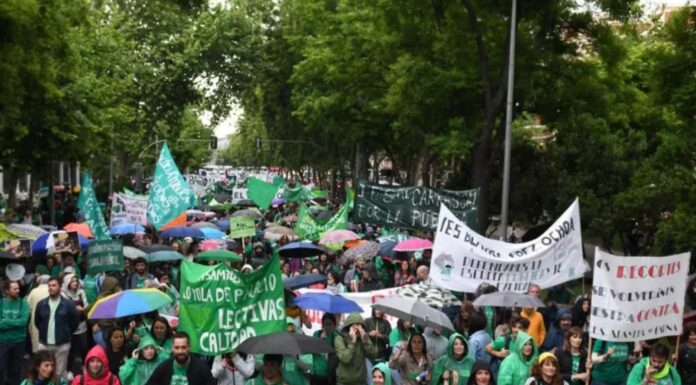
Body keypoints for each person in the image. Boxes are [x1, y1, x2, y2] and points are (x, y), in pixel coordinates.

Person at [35, 277, 79, 378]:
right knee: (43, 373)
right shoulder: (41, 304)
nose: (51, 288)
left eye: (54, 285)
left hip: (62, 344)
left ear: (60, 287)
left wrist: (65, 333)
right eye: (49, 286)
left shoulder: (68, 305)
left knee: (60, 373)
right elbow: (37, 322)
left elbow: (74, 323)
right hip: (44, 344)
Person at [144, 332, 214, 385]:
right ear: (172, 348)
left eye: (183, 347)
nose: (180, 351)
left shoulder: (202, 369)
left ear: (189, 347)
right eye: (177, 348)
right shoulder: (163, 367)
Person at [335, 313, 378, 385]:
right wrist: (352, 342)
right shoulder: (340, 339)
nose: (358, 329)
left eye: (360, 326)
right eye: (355, 326)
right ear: (349, 326)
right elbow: (345, 358)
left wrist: (365, 339)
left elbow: (373, 354)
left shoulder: (363, 338)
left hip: (361, 382)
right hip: (344, 382)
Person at [0, 280, 30, 385]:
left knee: (16, 370)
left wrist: (5, 321)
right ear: (7, 291)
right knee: (1, 368)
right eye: (15, 289)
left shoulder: (23, 303)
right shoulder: (1, 303)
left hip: (19, 341)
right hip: (3, 342)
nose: (18, 291)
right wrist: (15, 323)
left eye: (18, 288)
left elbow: (24, 322)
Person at [62, 273, 89, 375]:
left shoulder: (81, 292)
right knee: (70, 348)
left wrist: (83, 309)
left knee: (84, 347)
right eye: (72, 281)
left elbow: (86, 305)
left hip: (82, 325)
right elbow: (64, 308)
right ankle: (69, 370)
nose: (74, 283)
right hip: (69, 326)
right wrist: (74, 309)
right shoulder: (64, 294)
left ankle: (84, 366)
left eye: (76, 281)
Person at [310, 314, 339, 385]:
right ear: (322, 325)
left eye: (330, 324)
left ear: (334, 326)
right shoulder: (316, 334)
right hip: (316, 374)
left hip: (330, 376)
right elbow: (311, 349)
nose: (328, 327)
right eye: (326, 324)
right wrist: (321, 341)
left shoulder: (336, 337)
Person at [28, 275, 51, 353]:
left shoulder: (34, 291)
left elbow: (28, 308)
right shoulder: (53, 290)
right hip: (51, 321)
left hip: (36, 321)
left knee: (37, 345)